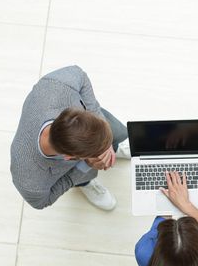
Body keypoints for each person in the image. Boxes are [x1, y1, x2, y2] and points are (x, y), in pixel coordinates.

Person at [10, 65, 130, 210]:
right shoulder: (29, 180)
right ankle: (85, 183)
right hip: (69, 167)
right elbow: (42, 202)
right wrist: (87, 165)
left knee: (118, 132)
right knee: (82, 175)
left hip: (90, 128)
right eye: (100, 150)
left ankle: (115, 147)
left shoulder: (57, 85)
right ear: (68, 157)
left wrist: (102, 124)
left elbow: (80, 75)